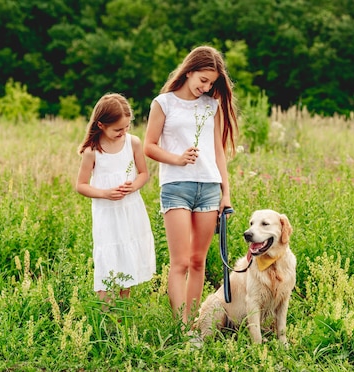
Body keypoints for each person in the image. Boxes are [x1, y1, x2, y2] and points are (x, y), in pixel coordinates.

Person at [144, 45, 238, 324]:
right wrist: (177, 158)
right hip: (176, 187)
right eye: (203, 80)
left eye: (211, 83)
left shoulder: (213, 106)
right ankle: (179, 327)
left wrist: (226, 193)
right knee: (180, 262)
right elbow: (149, 146)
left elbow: (218, 151)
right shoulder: (163, 103)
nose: (206, 87)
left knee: (198, 262)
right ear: (189, 72)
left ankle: (194, 324)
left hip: (209, 188)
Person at [76, 92, 156, 307]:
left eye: (127, 127)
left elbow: (143, 174)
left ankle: (122, 313)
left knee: (126, 258)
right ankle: (105, 313)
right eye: (117, 129)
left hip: (130, 210)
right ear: (101, 125)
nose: (123, 132)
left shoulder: (134, 143)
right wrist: (105, 193)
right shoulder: (92, 151)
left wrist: (133, 186)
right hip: (107, 214)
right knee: (109, 258)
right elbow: (81, 185)